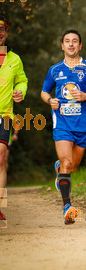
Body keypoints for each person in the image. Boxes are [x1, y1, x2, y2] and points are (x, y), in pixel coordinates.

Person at [41, 29, 86, 225]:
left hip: (84, 125)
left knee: (73, 167)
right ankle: (67, 207)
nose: (71, 44)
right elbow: (44, 92)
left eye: (75, 41)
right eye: (67, 41)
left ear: (80, 46)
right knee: (68, 164)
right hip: (62, 123)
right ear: (62, 46)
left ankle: (59, 169)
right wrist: (50, 100)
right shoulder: (54, 70)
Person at [0, 17, 28, 224]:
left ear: (6, 34)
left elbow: (22, 80)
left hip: (6, 115)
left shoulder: (15, 59)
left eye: (2, 30)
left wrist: (20, 91)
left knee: (1, 160)